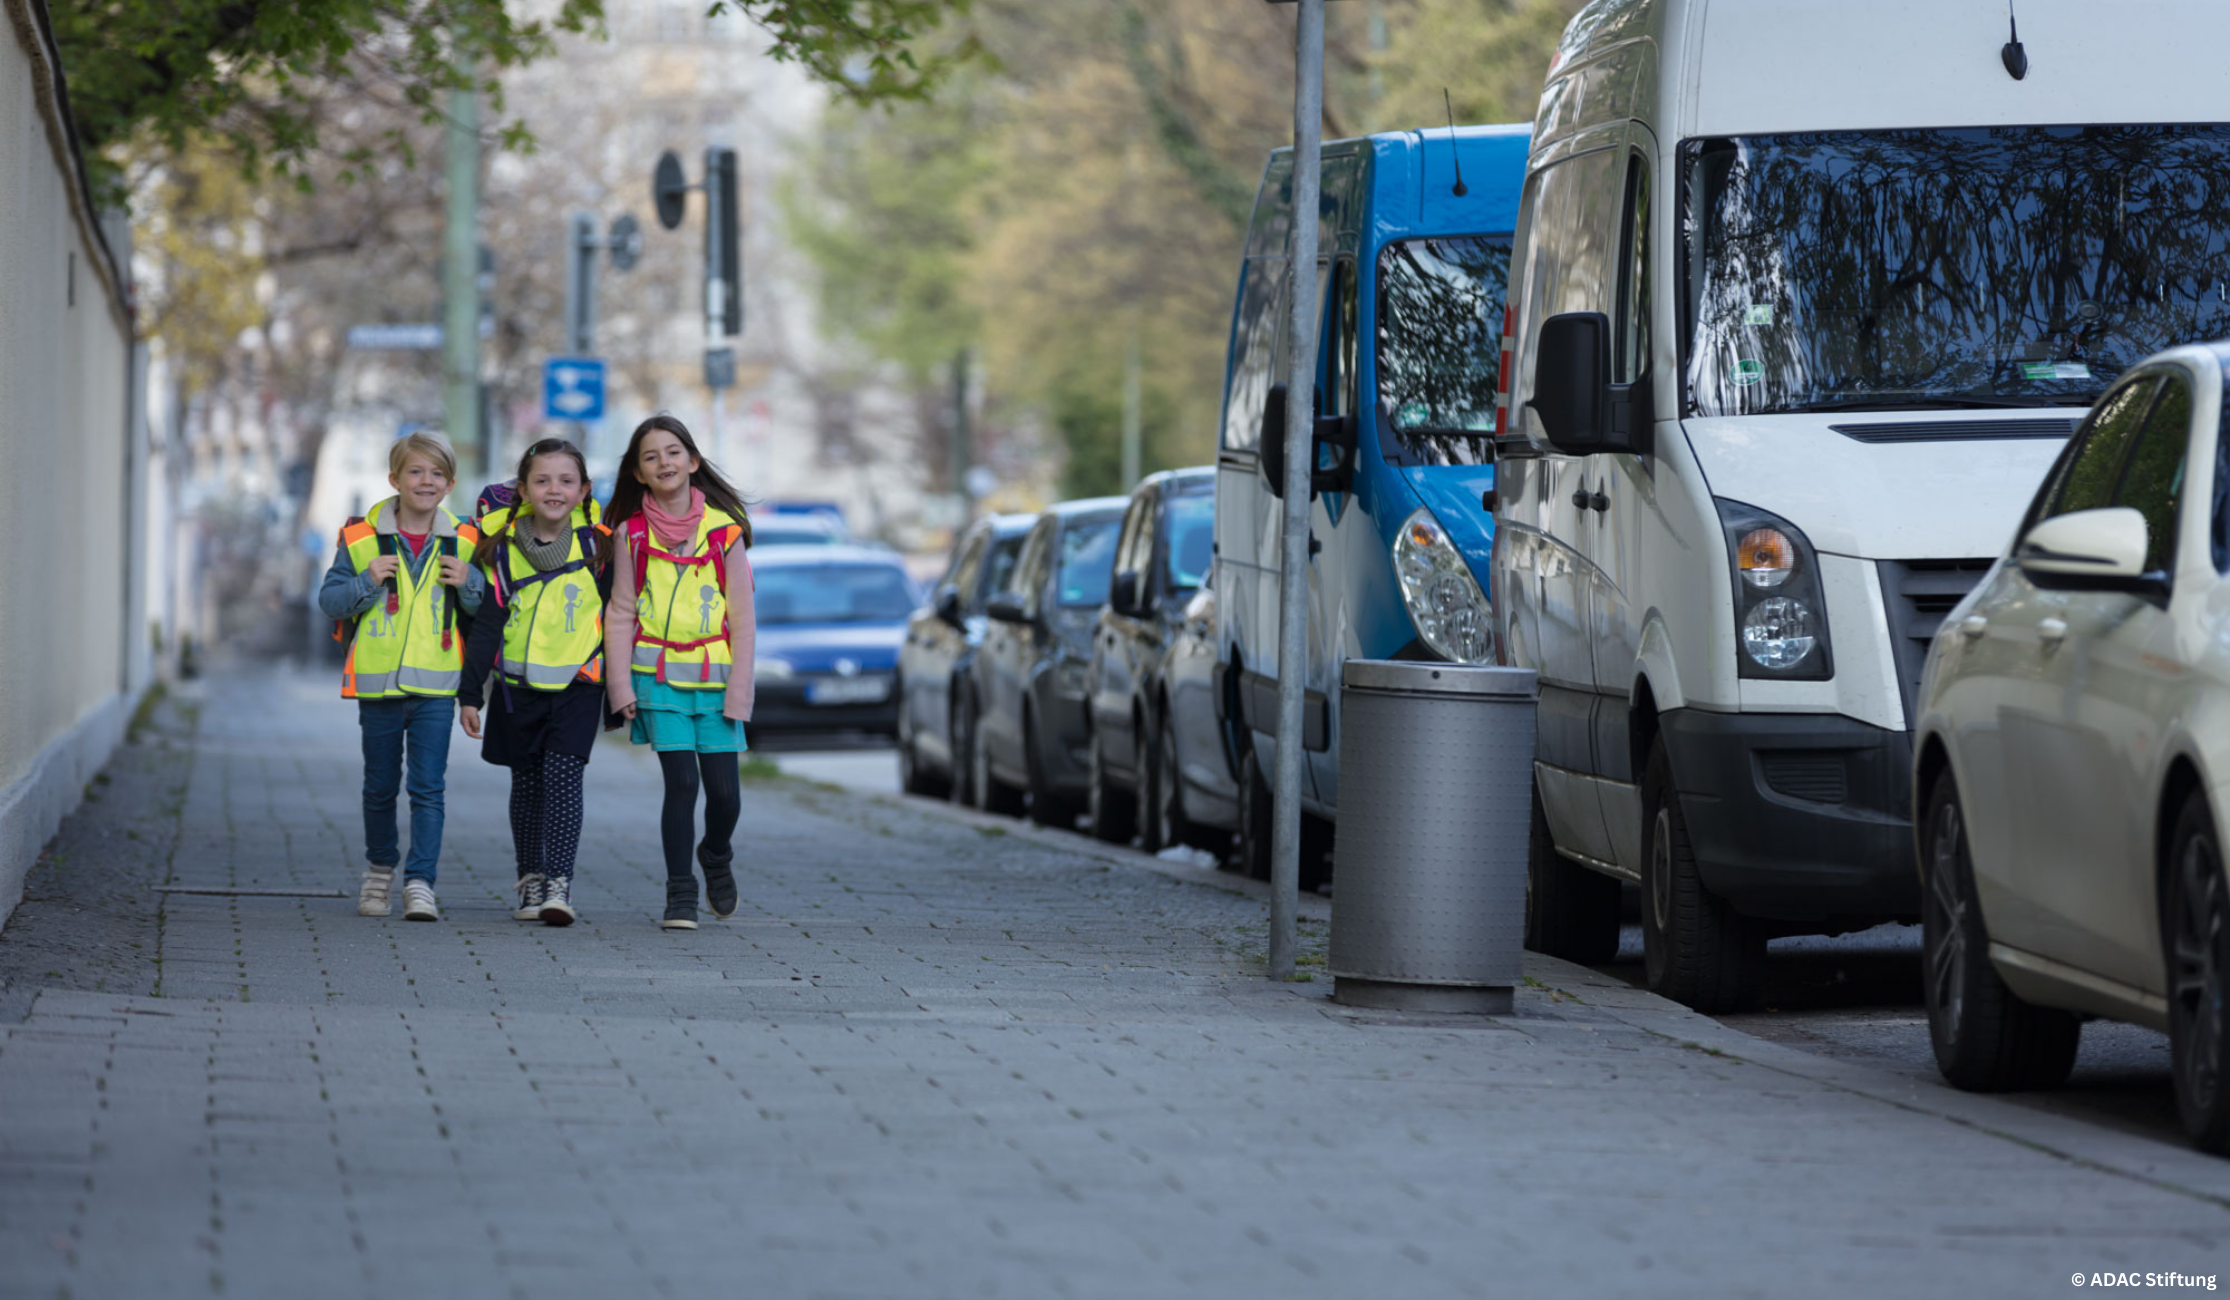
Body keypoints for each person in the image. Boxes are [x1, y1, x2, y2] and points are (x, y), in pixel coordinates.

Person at [316, 430, 485, 922]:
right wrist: (368, 581)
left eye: (436, 473)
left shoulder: (467, 539)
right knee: (379, 786)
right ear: (395, 479)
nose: (425, 481)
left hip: (436, 685)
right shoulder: (360, 537)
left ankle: (420, 883)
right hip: (379, 684)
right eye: (416, 471)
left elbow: (488, 609)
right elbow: (329, 600)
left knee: (429, 788)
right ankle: (378, 872)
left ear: (449, 483)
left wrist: (470, 583)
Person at [602, 415, 755, 930]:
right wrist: (620, 687)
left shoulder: (724, 534)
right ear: (639, 474)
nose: (663, 462)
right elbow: (621, 612)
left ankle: (715, 854)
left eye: (672, 452)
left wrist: (741, 693)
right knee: (682, 785)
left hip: (716, 681)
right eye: (650, 456)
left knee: (726, 796)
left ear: (692, 462)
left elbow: (743, 620)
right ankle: (680, 893)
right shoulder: (631, 536)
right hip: (660, 680)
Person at [458, 438, 612, 927]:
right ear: (523, 489)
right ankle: (530, 877)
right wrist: (469, 694)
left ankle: (559, 886)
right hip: (515, 689)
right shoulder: (501, 552)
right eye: (542, 480)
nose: (554, 490)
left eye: (567, 481)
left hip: (579, 685)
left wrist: (625, 689)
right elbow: (487, 625)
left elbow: (619, 617)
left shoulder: (600, 546)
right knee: (526, 785)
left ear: (584, 490)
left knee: (565, 780)